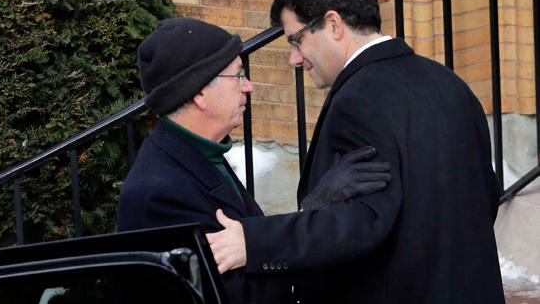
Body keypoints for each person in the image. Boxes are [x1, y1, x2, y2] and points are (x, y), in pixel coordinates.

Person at [205, 0, 506, 303]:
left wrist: (255, 242)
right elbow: (485, 194)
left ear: (332, 24)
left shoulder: (358, 100)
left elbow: (361, 222)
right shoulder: (450, 83)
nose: (295, 59)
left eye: (296, 40)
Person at [117, 17, 392, 304]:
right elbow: (235, 295)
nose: (248, 86)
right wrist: (314, 211)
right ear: (199, 93)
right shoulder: (159, 193)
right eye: (238, 75)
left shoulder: (200, 154)